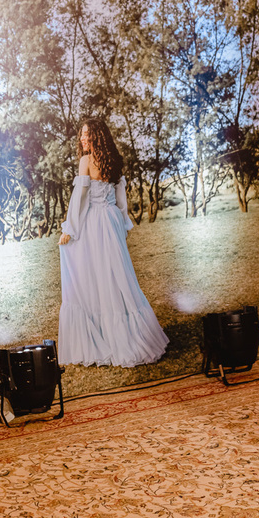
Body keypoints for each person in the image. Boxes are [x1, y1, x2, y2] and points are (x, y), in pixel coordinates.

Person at [57, 118, 168, 367]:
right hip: (112, 221)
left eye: (87, 135)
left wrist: (70, 229)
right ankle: (128, 333)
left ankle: (107, 337)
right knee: (116, 277)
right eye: (81, 135)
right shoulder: (114, 162)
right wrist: (123, 224)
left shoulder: (86, 161)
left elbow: (80, 198)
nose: (82, 139)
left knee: (95, 276)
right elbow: (121, 201)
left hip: (94, 222)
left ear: (97, 136)